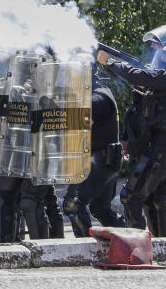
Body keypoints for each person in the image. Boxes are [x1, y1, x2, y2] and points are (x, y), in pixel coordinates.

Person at [97, 43, 166, 236]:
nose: (161, 62)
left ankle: (136, 248)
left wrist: (109, 62)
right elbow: (140, 89)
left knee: (130, 196)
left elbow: (139, 76)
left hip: (161, 151)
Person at [62, 69, 125, 237]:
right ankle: (126, 240)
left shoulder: (98, 97)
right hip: (104, 160)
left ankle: (86, 248)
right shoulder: (99, 93)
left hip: (101, 161)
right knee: (100, 209)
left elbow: (77, 124)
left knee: (73, 204)